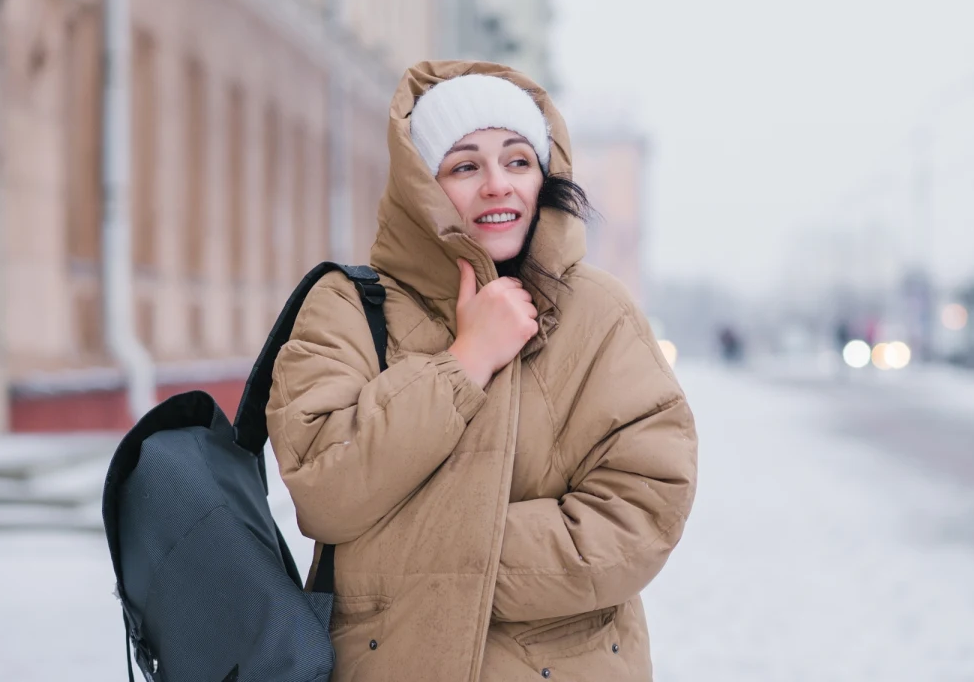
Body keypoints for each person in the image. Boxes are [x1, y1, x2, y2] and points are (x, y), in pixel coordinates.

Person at [266, 61, 698, 681]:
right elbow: (326, 490)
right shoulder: (347, 308)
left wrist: (427, 557)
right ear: (422, 185)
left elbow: (641, 508)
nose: (498, 185)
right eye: (465, 166)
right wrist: (464, 363)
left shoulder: (600, 313)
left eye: (518, 161)